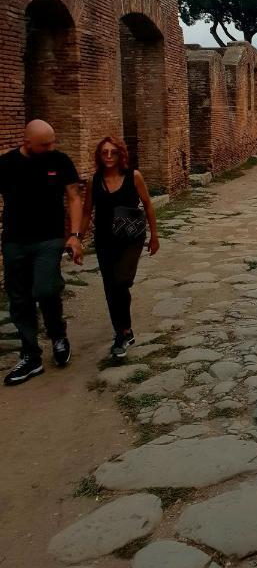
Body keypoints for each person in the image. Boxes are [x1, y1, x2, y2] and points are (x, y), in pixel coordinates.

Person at [1, 120, 83, 386]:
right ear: (27, 143)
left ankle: (58, 334)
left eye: (52, 142)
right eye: (44, 144)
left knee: (46, 289)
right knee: (19, 298)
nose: (51, 147)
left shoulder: (59, 161)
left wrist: (75, 235)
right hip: (15, 241)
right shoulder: (7, 164)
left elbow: (73, 197)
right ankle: (30, 355)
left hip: (49, 238)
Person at [82, 136, 159, 359]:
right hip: (105, 239)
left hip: (131, 235)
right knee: (111, 286)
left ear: (120, 155)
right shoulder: (94, 181)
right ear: (99, 155)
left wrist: (154, 236)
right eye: (104, 152)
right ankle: (123, 332)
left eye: (112, 152)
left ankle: (123, 331)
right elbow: (87, 211)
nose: (108, 156)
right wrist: (77, 237)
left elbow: (147, 205)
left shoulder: (133, 177)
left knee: (121, 281)